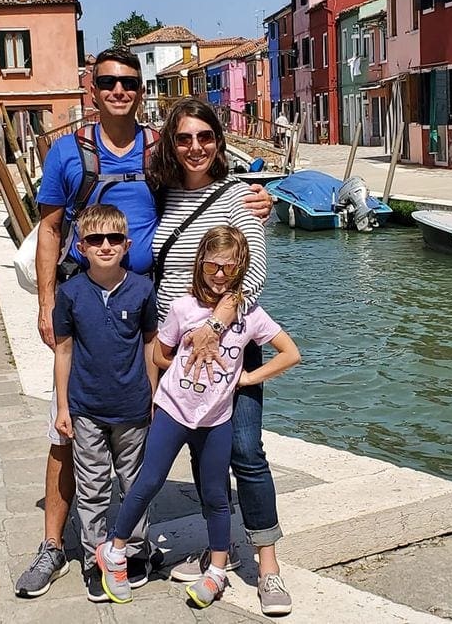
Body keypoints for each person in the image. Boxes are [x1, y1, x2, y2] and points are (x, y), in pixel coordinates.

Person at [17, 47, 272, 600]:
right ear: (91, 86)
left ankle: (128, 540)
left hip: (147, 314)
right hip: (83, 307)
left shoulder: (158, 147)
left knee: (137, 425)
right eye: (108, 81)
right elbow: (50, 229)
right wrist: (45, 304)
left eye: (129, 81)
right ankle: (52, 544)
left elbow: (205, 186)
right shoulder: (69, 151)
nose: (119, 90)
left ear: (140, 87)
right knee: (68, 428)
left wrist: (255, 200)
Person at [95, 225, 300, 609]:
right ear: (199, 264)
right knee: (149, 480)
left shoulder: (250, 315)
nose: (220, 274)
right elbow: (160, 354)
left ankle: (217, 570)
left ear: (241, 267)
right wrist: (183, 361)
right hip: (175, 410)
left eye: (229, 267)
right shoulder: (181, 307)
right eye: (212, 266)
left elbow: (291, 353)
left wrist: (248, 377)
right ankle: (115, 550)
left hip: (217, 418)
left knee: (217, 494)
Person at [148, 97, 293, 615]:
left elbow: (250, 274)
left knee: (246, 453)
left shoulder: (238, 196)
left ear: (219, 141)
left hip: (230, 347)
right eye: (184, 138)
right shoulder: (160, 194)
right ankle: (219, 549)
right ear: (171, 142)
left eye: (205, 137)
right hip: (180, 353)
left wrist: (214, 324)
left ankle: (268, 566)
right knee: (203, 456)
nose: (195, 147)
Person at [49, 204, 158, 603]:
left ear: (127, 245)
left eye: (114, 239)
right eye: (96, 240)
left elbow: (149, 344)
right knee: (93, 488)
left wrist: (153, 394)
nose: (106, 246)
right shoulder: (71, 292)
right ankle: (96, 559)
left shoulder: (143, 289)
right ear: (82, 246)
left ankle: (133, 548)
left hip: (132, 406)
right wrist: (63, 407)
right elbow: (63, 352)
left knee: (135, 484)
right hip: (86, 407)